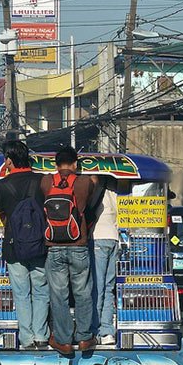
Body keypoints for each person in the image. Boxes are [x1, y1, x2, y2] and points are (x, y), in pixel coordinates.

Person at [0, 141, 49, 350]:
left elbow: (3, 216)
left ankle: (26, 339)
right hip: (39, 244)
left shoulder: (2, 185)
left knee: (21, 293)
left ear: (9, 160)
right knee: (41, 291)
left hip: (13, 245)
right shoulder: (42, 181)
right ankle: (41, 336)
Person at [41, 146, 96, 354]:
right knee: (82, 293)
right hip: (78, 245)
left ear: (56, 164)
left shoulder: (46, 181)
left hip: (54, 247)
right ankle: (84, 338)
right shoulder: (83, 182)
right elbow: (93, 188)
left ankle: (63, 340)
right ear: (75, 164)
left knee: (58, 295)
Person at [90, 177, 119, 345]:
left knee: (97, 288)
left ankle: (95, 330)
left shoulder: (96, 193)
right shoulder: (116, 194)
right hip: (114, 240)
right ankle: (107, 332)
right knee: (108, 288)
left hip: (98, 239)